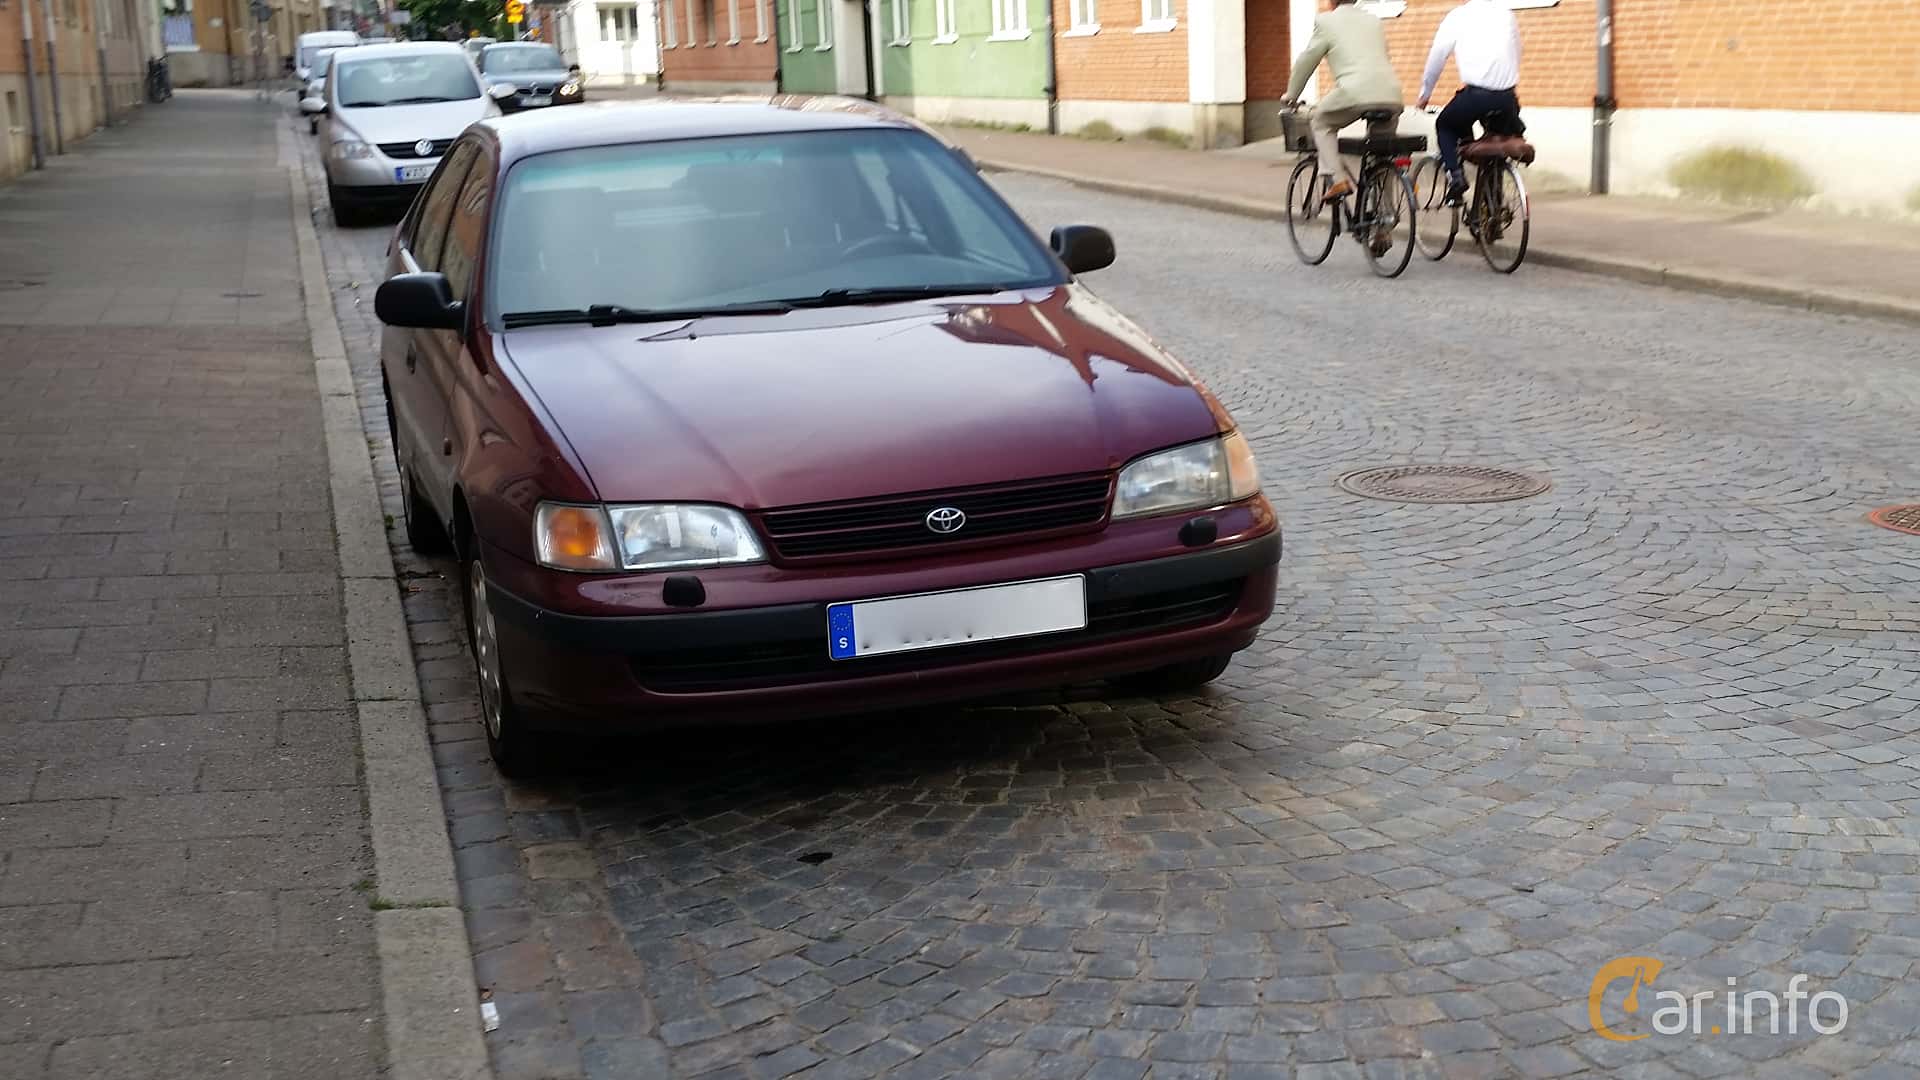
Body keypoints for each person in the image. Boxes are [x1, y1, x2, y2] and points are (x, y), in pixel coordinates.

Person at [1281, 0, 1405, 204]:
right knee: (1381, 155)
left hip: (1354, 92)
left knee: (1321, 122)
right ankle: (1383, 224)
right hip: (1391, 95)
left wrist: (1291, 94)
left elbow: (1307, 60)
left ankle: (1337, 180)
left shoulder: (1326, 21)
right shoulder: (1373, 21)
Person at [1417, 0, 1524, 204]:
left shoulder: (1457, 17)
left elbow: (1437, 57)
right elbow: (1517, 51)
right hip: (1507, 97)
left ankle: (1456, 177)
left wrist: (1425, 94)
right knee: (1496, 143)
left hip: (1476, 96)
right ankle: (1491, 212)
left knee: (1446, 125)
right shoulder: (1506, 14)